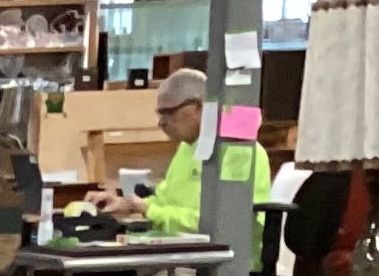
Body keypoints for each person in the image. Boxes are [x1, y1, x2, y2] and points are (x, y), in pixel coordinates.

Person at [100, 67, 272, 259]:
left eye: (169, 113)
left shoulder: (238, 152)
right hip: (182, 253)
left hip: (223, 266)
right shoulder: (188, 148)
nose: (161, 123)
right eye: (160, 114)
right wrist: (128, 204)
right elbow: (165, 200)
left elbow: (215, 223)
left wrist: (150, 210)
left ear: (199, 107)